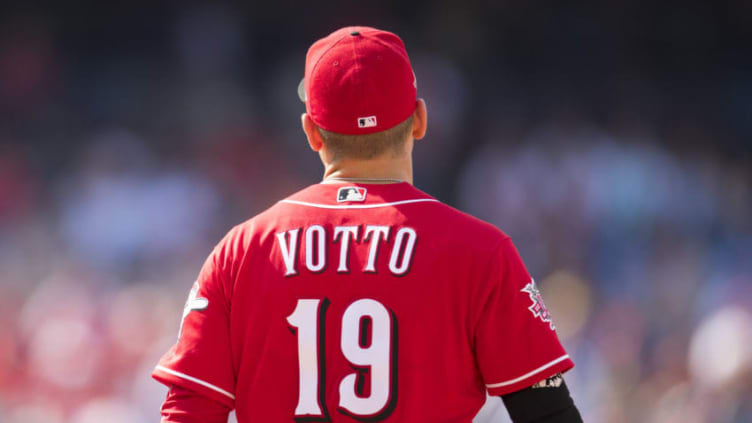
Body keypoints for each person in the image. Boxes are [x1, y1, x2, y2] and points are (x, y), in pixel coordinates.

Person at [152, 26, 582, 423]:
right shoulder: (480, 250)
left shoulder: (243, 250)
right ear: (419, 119)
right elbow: (547, 413)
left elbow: (187, 412)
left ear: (311, 132)